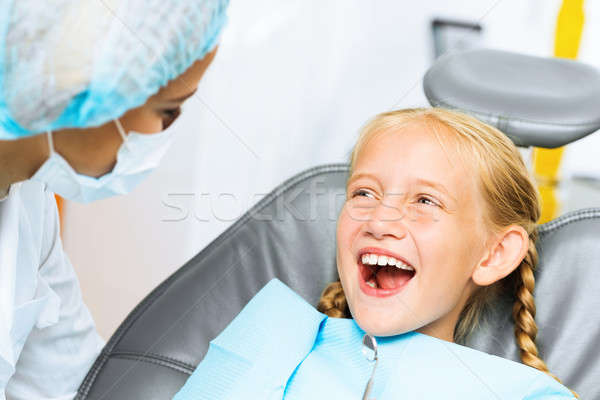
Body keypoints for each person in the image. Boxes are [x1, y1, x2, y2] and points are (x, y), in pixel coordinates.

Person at [173, 108, 579, 399]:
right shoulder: (273, 327)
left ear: (493, 254)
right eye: (364, 193)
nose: (379, 221)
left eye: (425, 201)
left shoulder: (524, 394)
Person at [0, 0, 229, 398]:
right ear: (77, 79)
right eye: (168, 111)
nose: (163, 136)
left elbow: (79, 383)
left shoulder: (29, 204)